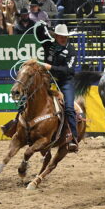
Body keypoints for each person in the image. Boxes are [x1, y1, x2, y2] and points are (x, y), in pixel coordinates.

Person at [34, 22, 80, 152]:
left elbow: (68, 70)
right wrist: (40, 24)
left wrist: (51, 67)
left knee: (69, 108)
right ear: (56, 36)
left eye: (64, 36)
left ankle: (73, 138)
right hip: (48, 80)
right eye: (60, 36)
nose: (63, 38)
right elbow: (39, 34)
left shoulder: (71, 50)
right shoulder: (49, 45)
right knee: (31, 95)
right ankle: (18, 124)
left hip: (65, 81)